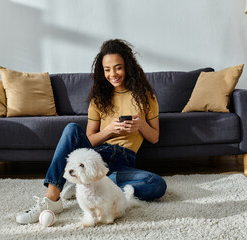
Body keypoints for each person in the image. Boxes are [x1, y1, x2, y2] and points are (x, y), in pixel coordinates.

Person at [16, 39, 167, 224]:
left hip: (122, 162)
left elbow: (154, 137)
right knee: (72, 128)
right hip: (96, 157)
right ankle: (52, 198)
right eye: (107, 69)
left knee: (156, 184)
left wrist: (141, 125)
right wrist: (110, 130)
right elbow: (90, 140)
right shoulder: (98, 99)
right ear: (102, 71)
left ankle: (87, 183)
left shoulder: (146, 97)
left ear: (128, 66)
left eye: (118, 67)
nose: (113, 74)